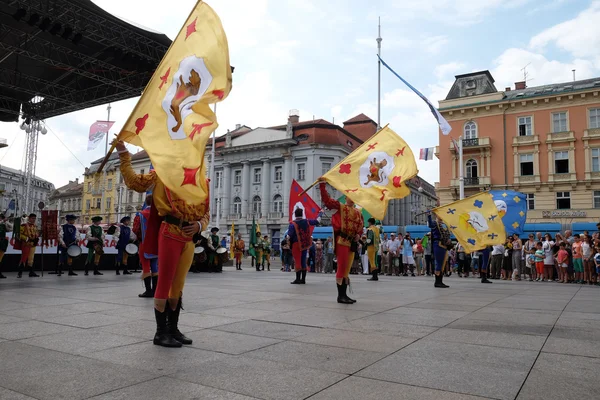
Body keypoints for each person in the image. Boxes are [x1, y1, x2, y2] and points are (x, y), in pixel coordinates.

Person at [117, 141, 209, 348]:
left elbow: (205, 210)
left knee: (179, 284)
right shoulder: (161, 173)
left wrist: (199, 225)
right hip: (170, 232)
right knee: (164, 282)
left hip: (189, 237)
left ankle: (173, 328)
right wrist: (123, 154)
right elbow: (134, 183)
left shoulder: (199, 179)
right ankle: (160, 333)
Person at [319, 181, 363, 304]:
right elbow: (327, 201)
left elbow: (360, 226)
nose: (352, 198)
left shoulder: (358, 213)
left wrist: (358, 235)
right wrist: (322, 185)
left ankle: (344, 295)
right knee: (342, 266)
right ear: (346, 197)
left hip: (351, 243)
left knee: (347, 269)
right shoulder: (340, 207)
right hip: (342, 241)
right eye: (351, 195)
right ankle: (341, 295)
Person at [288, 208, 320, 284]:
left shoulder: (293, 224)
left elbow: (289, 235)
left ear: (295, 215)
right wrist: (320, 214)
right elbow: (317, 221)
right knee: (303, 261)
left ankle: (298, 279)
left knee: (297, 261)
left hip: (296, 244)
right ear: (302, 214)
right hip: (305, 244)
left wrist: (287, 240)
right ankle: (303, 279)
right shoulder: (307, 221)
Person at [138, 194, 158, 297]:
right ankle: (155, 291)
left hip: (145, 244)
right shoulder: (159, 214)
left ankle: (148, 291)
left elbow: (136, 230)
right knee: (155, 266)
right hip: (156, 245)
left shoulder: (141, 214)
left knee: (146, 266)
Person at [427, 212, 451, 288]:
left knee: (443, 263)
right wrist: (429, 216)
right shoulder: (435, 223)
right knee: (439, 263)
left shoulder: (444, 224)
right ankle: (437, 281)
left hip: (444, 245)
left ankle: (440, 281)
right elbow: (430, 225)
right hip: (438, 244)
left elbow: (447, 234)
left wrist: (449, 240)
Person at [17, 213, 39, 278]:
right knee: (24, 257)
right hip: (26, 244)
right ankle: (20, 272)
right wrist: (27, 238)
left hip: (33, 244)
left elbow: (36, 233)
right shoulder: (23, 225)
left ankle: (31, 272)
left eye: (35, 218)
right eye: (32, 218)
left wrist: (36, 237)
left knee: (31, 258)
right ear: (29, 218)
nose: (34, 220)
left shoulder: (35, 226)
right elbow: (20, 234)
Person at [0, 213, 13, 279]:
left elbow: (11, 228)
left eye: (1, 218)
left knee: (0, 258)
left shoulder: (3, 225)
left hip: (2, 242)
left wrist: (6, 222)